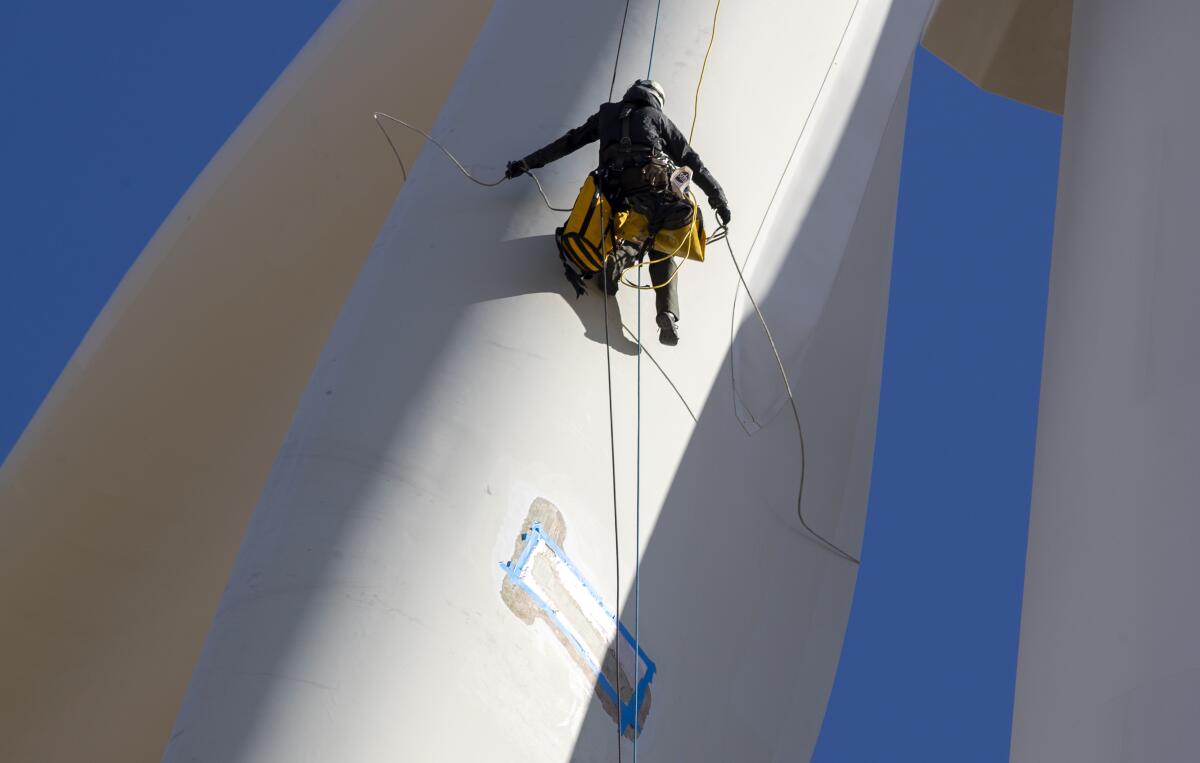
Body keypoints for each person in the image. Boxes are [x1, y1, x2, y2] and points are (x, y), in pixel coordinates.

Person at [505, 79, 731, 346]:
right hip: (653, 185)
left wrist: (527, 163)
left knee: (634, 230)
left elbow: (569, 142)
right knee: (662, 244)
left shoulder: (607, 114)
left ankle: (618, 259)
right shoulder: (656, 118)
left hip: (614, 189)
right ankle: (667, 311)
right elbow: (692, 161)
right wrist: (719, 199)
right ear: (656, 99)